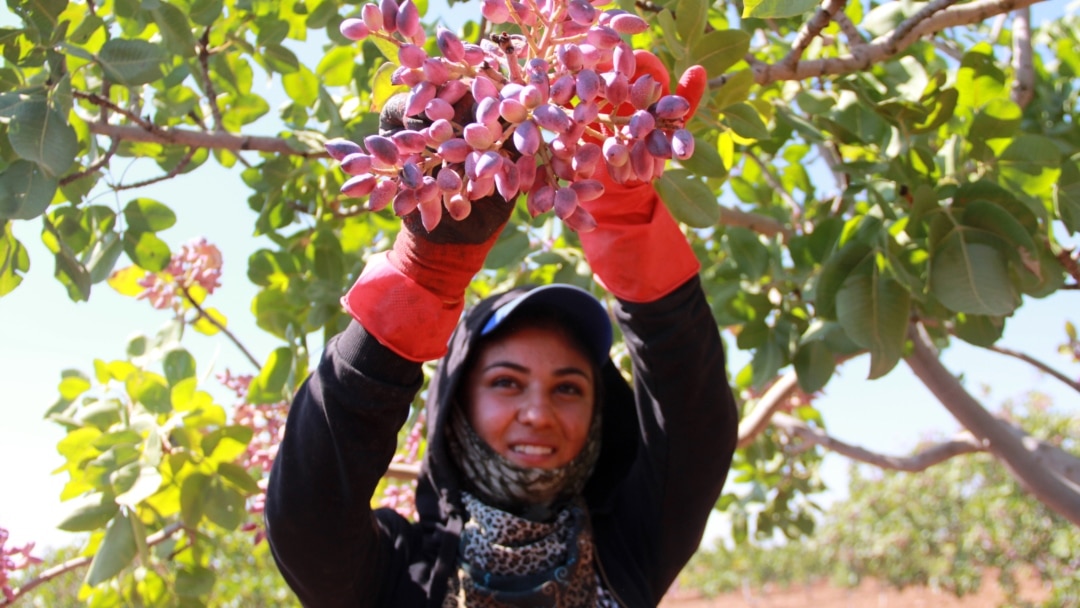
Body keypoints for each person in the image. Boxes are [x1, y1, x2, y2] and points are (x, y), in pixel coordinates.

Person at [265, 54, 739, 607]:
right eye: (507, 383)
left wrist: (625, 214)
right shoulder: (398, 575)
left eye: (568, 387)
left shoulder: (630, 544)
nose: (538, 413)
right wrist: (421, 279)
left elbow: (695, 422)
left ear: (598, 414)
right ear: (457, 403)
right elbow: (307, 516)